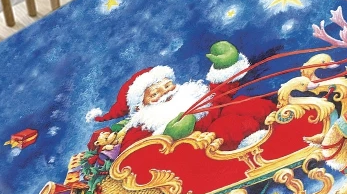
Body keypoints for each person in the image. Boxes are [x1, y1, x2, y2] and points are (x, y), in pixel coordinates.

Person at [85, 42, 276, 152]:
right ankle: (250, 147)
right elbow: (138, 152)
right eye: (154, 94)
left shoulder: (192, 95)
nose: (165, 93)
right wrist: (168, 135)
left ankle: (277, 122)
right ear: (140, 107)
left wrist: (226, 66)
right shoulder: (143, 127)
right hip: (201, 153)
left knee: (242, 104)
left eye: (167, 85)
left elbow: (219, 97)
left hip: (226, 125)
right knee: (225, 128)